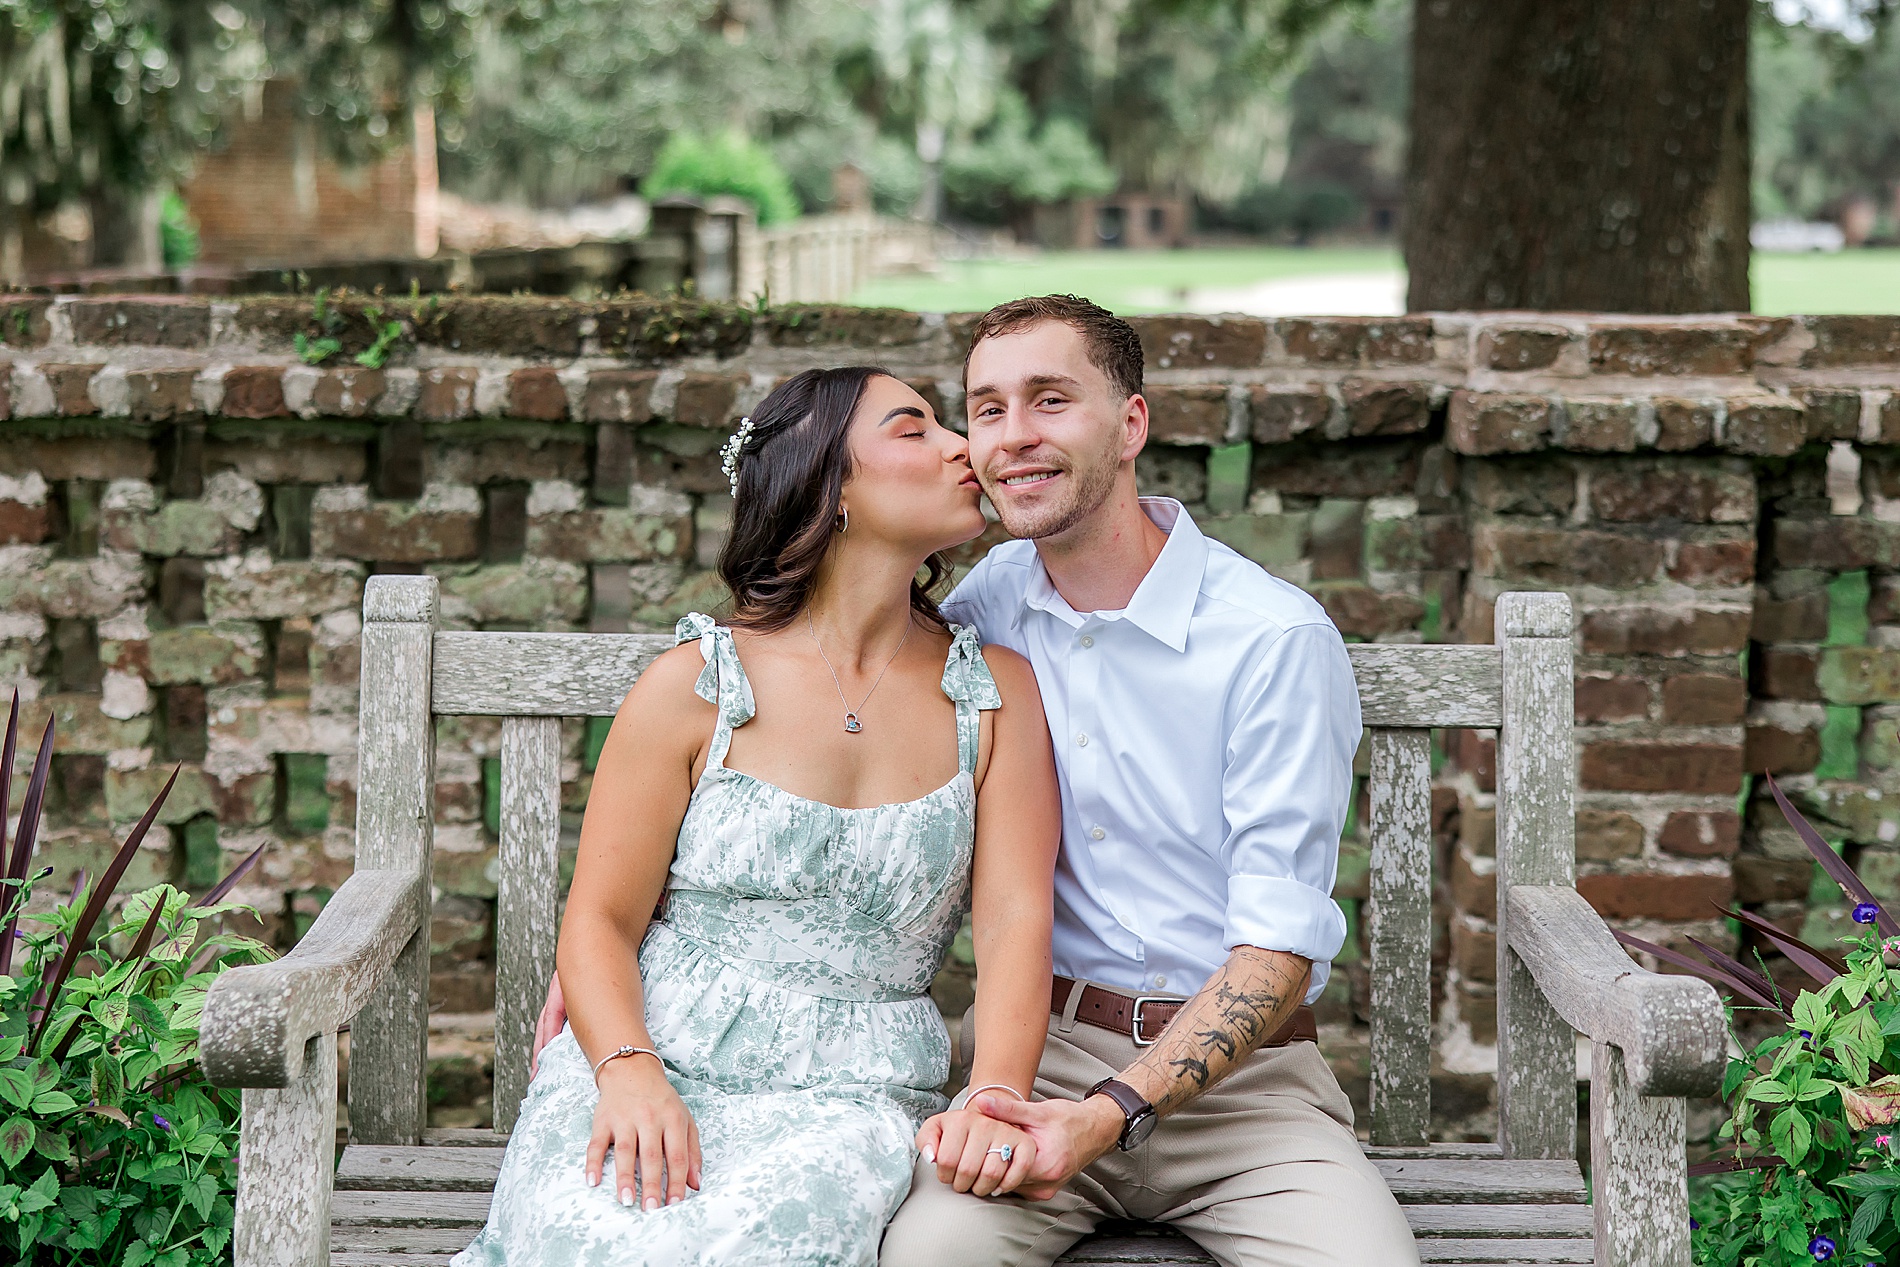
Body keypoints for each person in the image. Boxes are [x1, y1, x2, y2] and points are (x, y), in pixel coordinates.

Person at [455, 366, 1061, 1267]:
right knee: (598, 1236)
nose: (960, 447)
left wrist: (994, 1097)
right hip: (656, 1051)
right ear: (831, 487)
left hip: (852, 1090)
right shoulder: (696, 686)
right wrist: (626, 1072)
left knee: (771, 1242)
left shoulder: (994, 696)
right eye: (913, 429)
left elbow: (1015, 923)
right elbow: (599, 921)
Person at [877, 295, 1421, 1267]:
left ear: (1130, 424)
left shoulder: (1270, 639)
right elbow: (823, 731)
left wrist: (1112, 1111)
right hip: (1037, 1062)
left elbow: (1277, 948)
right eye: (988, 407)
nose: (1013, 437)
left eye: (1050, 400)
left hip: (1246, 1093)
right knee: (926, 1256)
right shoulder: (983, 607)